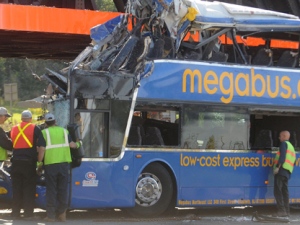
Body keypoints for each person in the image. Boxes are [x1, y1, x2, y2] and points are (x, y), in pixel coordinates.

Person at [37, 113, 80, 222]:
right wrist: (79, 144)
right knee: (63, 189)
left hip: (50, 165)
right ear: (55, 121)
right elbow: (72, 145)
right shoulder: (64, 131)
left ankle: (51, 216)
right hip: (64, 165)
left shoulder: (44, 132)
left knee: (51, 190)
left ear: (46, 123)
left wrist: (39, 163)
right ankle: (62, 214)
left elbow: (42, 149)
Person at [10, 110, 45, 219]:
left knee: (17, 189)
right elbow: (41, 145)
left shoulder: (14, 128)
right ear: (30, 119)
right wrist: (40, 161)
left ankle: (15, 213)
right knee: (28, 189)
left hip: (15, 162)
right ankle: (28, 214)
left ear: (21, 119)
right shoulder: (34, 128)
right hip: (28, 163)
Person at [273, 130, 296, 218]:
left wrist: (278, 167)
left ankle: (281, 211)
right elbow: (293, 161)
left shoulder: (283, 144)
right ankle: (287, 211)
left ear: (284, 136)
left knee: (277, 190)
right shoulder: (291, 147)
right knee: (284, 191)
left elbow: (282, 156)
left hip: (281, 170)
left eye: (280, 136)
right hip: (287, 172)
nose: (279, 138)